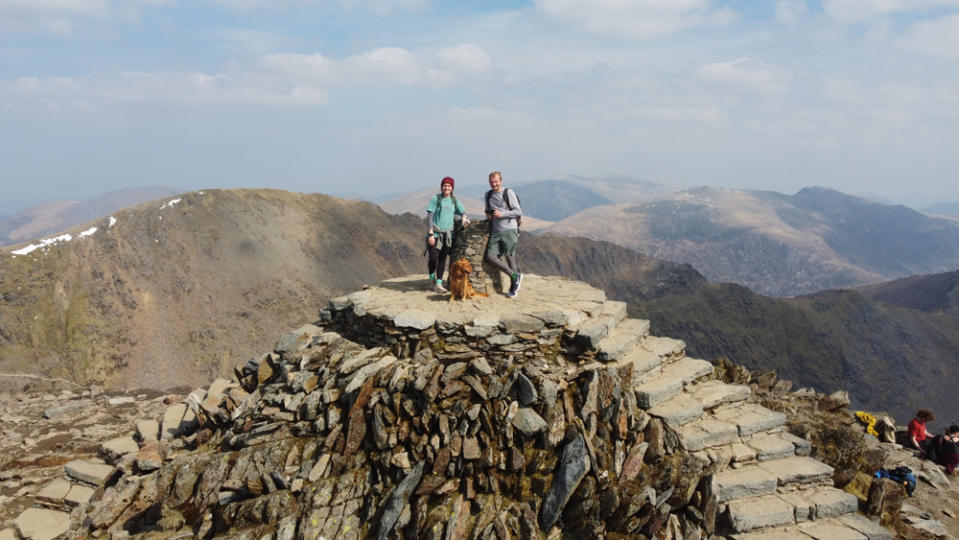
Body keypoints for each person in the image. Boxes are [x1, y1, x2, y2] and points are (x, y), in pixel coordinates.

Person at [426, 176, 468, 293]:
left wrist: (464, 217)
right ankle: (431, 274)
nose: (447, 187)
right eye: (445, 185)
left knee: (442, 259)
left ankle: (438, 283)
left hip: (448, 235)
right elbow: (430, 216)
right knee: (433, 258)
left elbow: (463, 211)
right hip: (435, 234)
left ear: (452, 188)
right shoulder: (436, 199)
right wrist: (430, 233)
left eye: (449, 186)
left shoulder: (454, 200)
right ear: (441, 187)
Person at [484, 171, 523, 297]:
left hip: (509, 229)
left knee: (509, 257)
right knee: (490, 257)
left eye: (496, 181)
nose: (494, 184)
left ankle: (513, 288)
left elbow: (518, 211)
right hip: (496, 230)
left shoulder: (508, 193)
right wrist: (488, 214)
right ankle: (514, 276)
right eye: (491, 181)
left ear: (501, 181)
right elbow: (487, 210)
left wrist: (502, 214)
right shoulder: (488, 194)